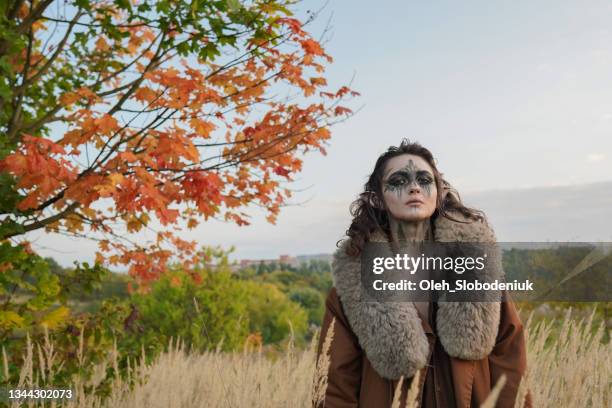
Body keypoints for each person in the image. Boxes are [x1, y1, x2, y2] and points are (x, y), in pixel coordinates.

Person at [314, 139, 531, 408]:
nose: (414, 187)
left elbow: (510, 364)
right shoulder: (351, 289)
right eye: (399, 180)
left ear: (439, 193)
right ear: (376, 199)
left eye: (424, 179)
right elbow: (334, 388)